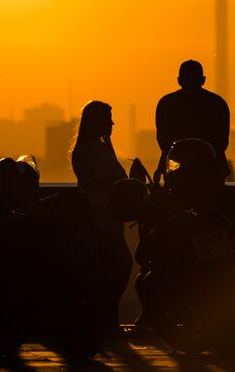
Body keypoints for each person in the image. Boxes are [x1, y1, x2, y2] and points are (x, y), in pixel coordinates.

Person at [71, 100, 131, 330]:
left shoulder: (97, 147)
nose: (112, 123)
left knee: (113, 269)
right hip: (100, 218)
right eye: (108, 118)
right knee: (116, 268)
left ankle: (109, 320)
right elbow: (109, 181)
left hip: (107, 218)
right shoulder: (92, 150)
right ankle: (107, 320)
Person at [154, 60, 230, 182]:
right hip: (211, 170)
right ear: (203, 80)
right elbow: (222, 143)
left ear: (179, 80)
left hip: (176, 168)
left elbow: (163, 141)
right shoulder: (217, 103)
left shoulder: (166, 103)